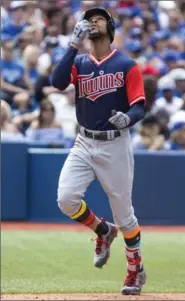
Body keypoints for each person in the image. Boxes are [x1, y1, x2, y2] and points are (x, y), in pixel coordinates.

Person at [52, 7, 147, 295]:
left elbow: (140, 105)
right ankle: (102, 231)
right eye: (89, 19)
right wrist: (71, 45)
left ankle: (135, 270)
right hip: (84, 141)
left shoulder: (126, 64)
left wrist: (129, 118)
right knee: (66, 199)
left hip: (114, 144)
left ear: (110, 26)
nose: (93, 22)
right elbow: (57, 82)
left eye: (100, 19)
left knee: (125, 217)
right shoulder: (79, 61)